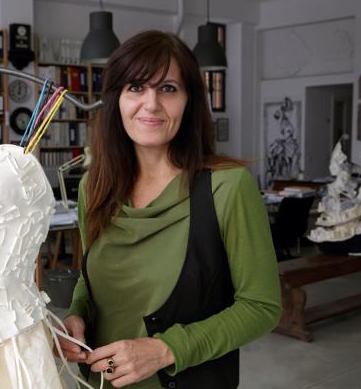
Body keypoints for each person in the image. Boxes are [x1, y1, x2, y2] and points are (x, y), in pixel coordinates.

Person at [56, 30, 281, 389]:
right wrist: (76, 315)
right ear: (116, 100)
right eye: (135, 87)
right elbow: (90, 277)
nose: (151, 104)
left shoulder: (227, 187)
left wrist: (166, 349)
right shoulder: (93, 187)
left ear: (189, 101)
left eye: (168, 88)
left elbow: (261, 307)